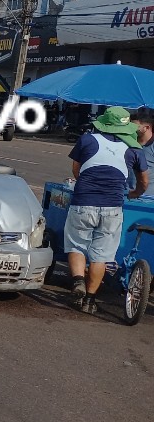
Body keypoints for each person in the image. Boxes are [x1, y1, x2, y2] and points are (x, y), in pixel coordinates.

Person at [66, 106, 149, 314]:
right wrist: (134, 194)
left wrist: (84, 183)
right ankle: (91, 301)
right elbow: (143, 182)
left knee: (77, 244)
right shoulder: (134, 149)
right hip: (113, 206)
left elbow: (76, 168)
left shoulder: (87, 139)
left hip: (83, 202)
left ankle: (78, 281)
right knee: (100, 256)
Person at [127, 108, 154, 198]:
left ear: (146, 128)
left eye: (134, 126)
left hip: (148, 198)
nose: (131, 129)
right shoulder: (128, 143)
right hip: (127, 195)